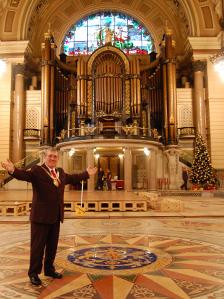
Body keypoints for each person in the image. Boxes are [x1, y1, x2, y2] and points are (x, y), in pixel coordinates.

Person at [1, 147, 97, 286]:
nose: (53, 159)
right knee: (37, 247)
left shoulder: (60, 172)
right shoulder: (37, 170)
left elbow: (73, 178)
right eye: (50, 156)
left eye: (55, 157)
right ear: (45, 157)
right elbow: (24, 176)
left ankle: (49, 269)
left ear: (57, 159)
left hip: (55, 216)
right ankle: (33, 273)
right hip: (40, 217)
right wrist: (13, 170)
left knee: (52, 246)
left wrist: (86, 173)